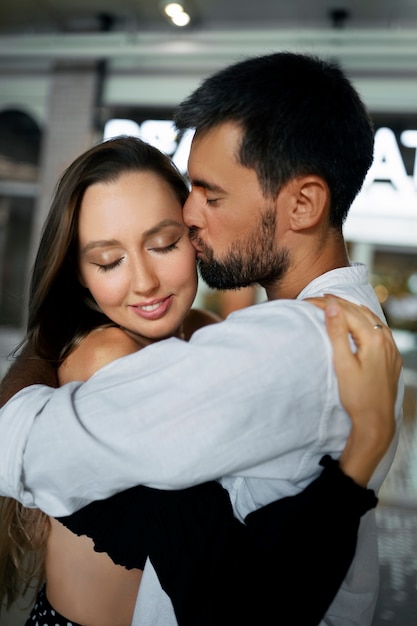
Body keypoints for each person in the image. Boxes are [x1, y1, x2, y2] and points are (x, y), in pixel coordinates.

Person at [0, 52, 404, 626]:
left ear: (304, 204)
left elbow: (22, 444)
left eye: (210, 195)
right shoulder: (287, 333)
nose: (190, 215)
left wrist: (44, 340)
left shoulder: (284, 348)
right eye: (108, 259)